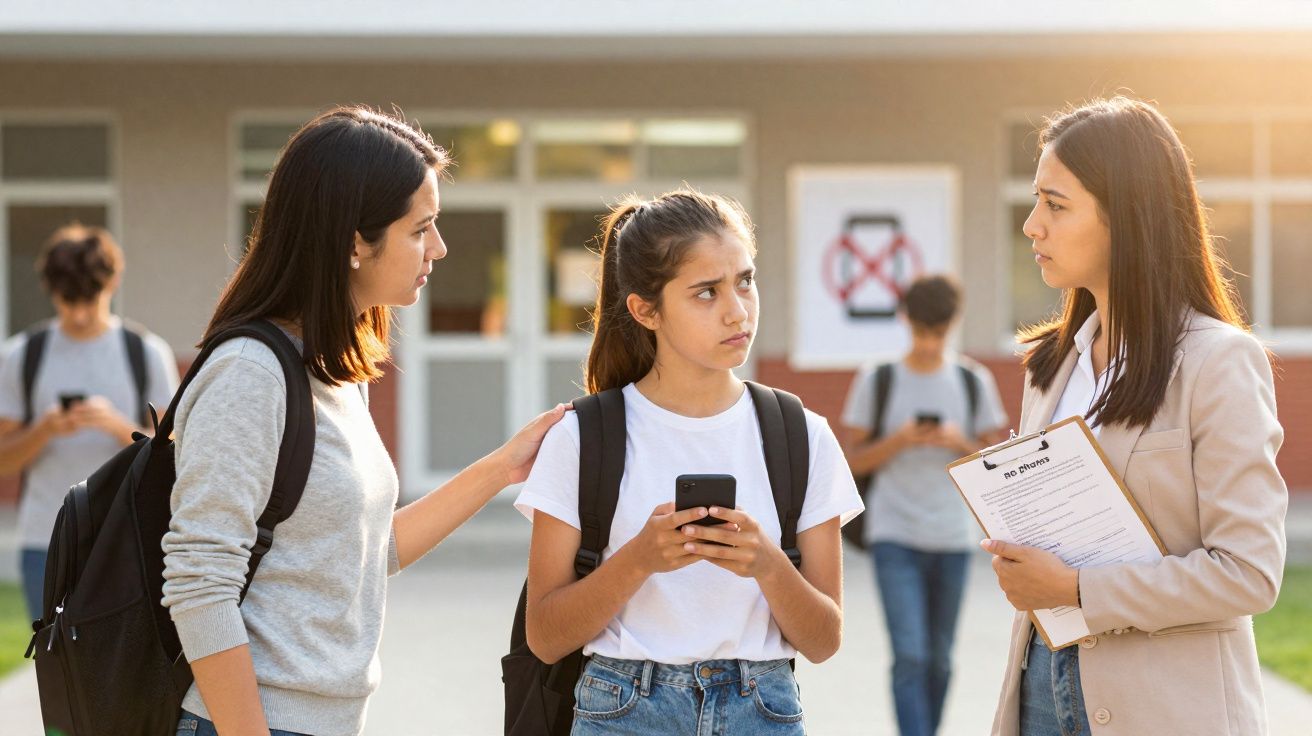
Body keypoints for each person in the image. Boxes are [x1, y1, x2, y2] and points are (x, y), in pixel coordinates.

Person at [161, 106, 566, 736]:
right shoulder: (250, 373)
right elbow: (199, 583)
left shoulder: (329, 370)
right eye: (420, 229)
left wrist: (505, 466)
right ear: (355, 240)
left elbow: (366, 553)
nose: (440, 248)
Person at [983, 96, 1286, 736]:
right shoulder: (1050, 365)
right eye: (1036, 200)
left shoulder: (1218, 362)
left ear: (1128, 216)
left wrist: (1078, 590)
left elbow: (1250, 574)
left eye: (1055, 205)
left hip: (1168, 708)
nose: (1032, 224)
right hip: (1042, 689)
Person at [515, 189, 864, 735]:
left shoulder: (801, 435)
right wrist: (638, 560)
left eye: (745, 281)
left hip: (763, 711)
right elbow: (546, 635)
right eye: (706, 292)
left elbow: (823, 641)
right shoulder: (582, 437)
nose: (737, 310)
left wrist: (767, 564)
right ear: (644, 309)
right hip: (621, 712)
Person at [839, 274, 1009, 736]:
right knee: (910, 654)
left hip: (953, 537)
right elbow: (853, 461)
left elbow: (993, 465)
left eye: (939, 333)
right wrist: (899, 441)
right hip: (893, 534)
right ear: (905, 320)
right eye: (921, 332)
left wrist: (958, 441)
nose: (930, 344)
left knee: (940, 657)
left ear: (953, 324)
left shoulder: (973, 381)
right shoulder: (879, 378)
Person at [0, 223, 179, 622]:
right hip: (44, 541)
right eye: (68, 301)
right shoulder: (22, 355)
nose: (79, 314)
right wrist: (43, 430)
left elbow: (175, 453)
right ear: (50, 289)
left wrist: (120, 428)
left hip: (124, 539)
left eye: (89, 299)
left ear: (113, 282)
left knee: (121, 675)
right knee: (53, 669)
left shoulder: (145, 353)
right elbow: (3, 461)